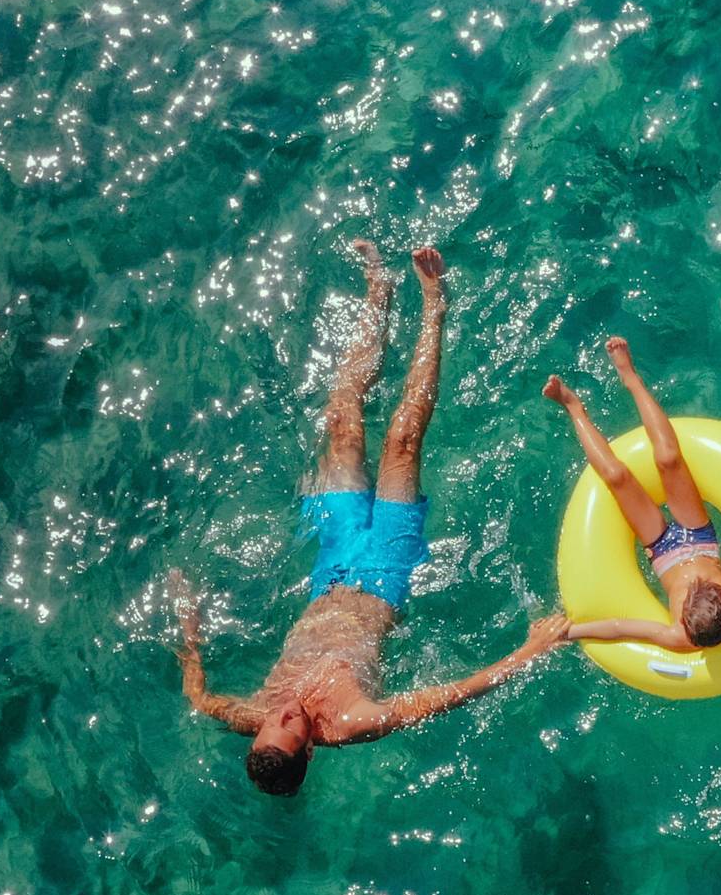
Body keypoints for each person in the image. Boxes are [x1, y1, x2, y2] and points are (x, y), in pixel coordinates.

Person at [168, 241, 568, 796]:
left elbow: (199, 697)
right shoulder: (353, 721)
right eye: (290, 727)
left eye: (268, 725)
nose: (280, 713)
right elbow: (446, 696)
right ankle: (434, 305)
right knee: (402, 439)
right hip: (383, 571)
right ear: (309, 747)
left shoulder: (255, 715)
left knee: (341, 421)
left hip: (330, 565)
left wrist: (188, 623)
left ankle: (377, 292)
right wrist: (528, 653)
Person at [542, 336, 721, 649]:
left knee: (617, 476)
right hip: (701, 538)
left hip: (663, 551)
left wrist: (568, 632)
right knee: (668, 458)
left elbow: (620, 627)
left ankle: (573, 407)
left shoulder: (677, 637)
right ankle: (632, 379)